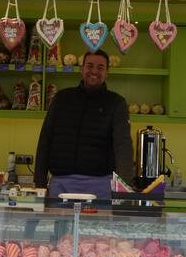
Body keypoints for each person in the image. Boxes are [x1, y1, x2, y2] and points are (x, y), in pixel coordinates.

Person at [34, 49, 134, 200]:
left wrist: (124, 187)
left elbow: (123, 146)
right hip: (61, 184)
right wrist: (39, 183)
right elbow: (45, 141)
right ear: (82, 69)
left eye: (100, 67)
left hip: (101, 186)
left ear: (107, 72)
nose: (94, 71)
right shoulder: (61, 98)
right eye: (89, 66)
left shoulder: (116, 103)